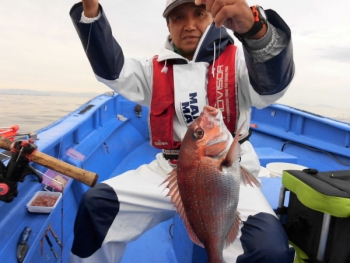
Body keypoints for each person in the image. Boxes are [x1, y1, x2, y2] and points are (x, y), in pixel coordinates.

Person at [69, 0, 295, 262]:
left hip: (228, 174)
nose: (189, 25)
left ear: (214, 17)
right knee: (96, 205)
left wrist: (256, 30)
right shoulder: (153, 68)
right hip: (169, 170)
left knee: (270, 251)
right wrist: (91, 12)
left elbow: (272, 85)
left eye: (199, 14)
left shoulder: (242, 62)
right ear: (168, 25)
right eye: (178, 18)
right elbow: (111, 70)